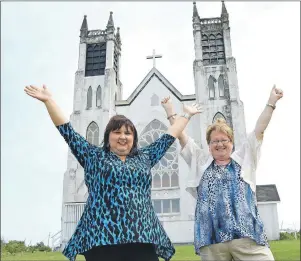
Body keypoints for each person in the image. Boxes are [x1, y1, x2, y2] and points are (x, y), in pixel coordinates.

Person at [24, 84, 202, 261]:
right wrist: (49, 101)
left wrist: (186, 114)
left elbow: (170, 135)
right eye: (117, 132)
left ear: (134, 139)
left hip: (142, 235)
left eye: (128, 133)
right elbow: (67, 131)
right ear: (108, 137)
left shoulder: (145, 157)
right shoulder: (93, 156)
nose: (123, 137)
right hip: (102, 238)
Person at [161, 85, 283, 261]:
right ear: (209, 145)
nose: (219, 144)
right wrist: (171, 112)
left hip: (246, 235)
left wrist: (271, 102)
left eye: (224, 140)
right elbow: (182, 137)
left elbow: (259, 129)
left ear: (231, 142)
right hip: (212, 239)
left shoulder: (245, 157)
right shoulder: (201, 161)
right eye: (214, 141)